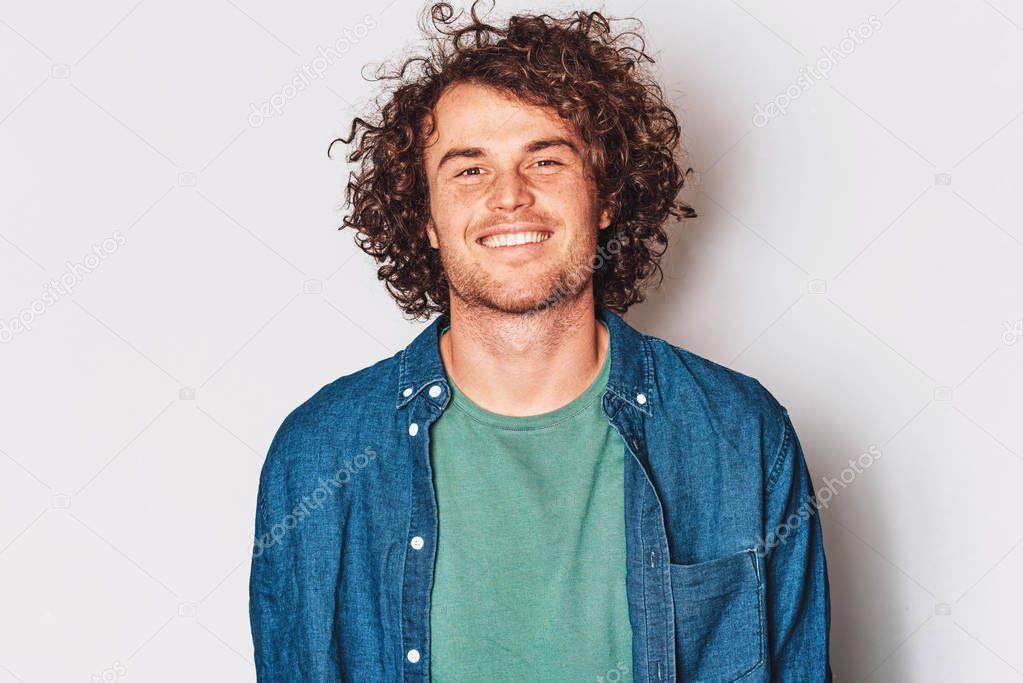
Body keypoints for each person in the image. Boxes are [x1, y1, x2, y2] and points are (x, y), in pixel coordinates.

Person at [249, 2, 832, 681]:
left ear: (605, 194)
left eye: (546, 161)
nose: (509, 197)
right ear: (426, 217)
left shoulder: (737, 434)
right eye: (468, 169)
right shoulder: (321, 454)